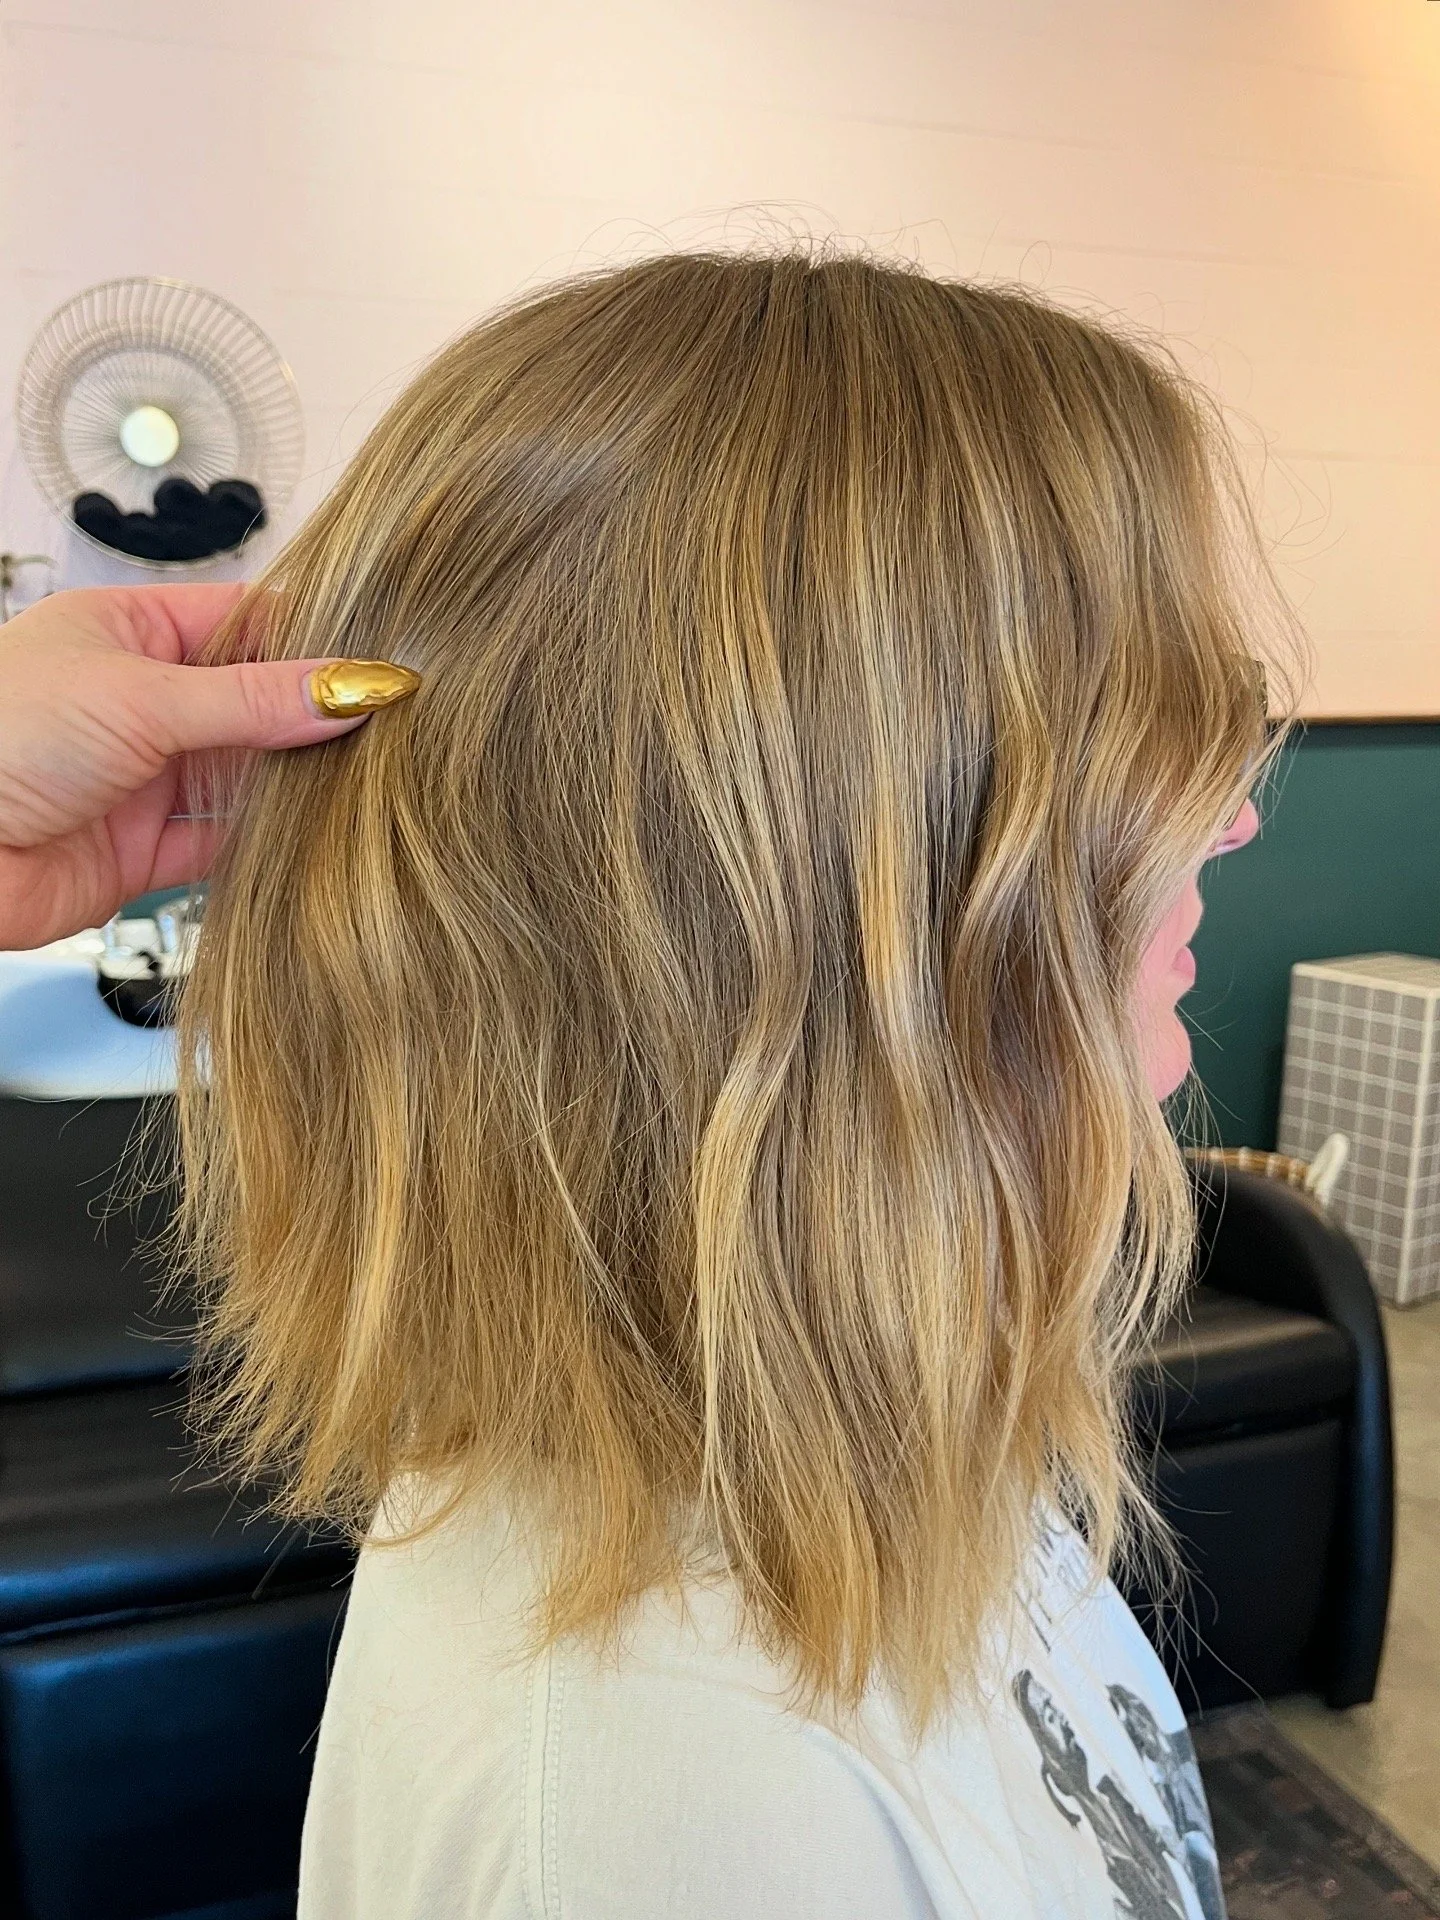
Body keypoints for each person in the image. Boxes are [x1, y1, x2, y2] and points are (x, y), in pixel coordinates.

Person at [0, 250, 1287, 1918]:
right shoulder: (678, 1813)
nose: (1238, 816)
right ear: (857, 874)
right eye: (1169, 736)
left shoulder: (842, 1458)